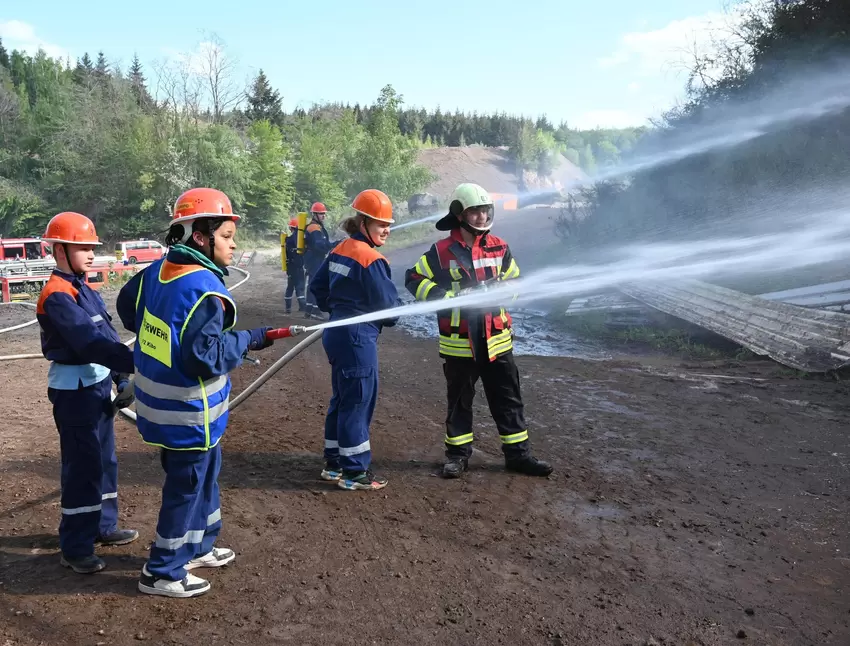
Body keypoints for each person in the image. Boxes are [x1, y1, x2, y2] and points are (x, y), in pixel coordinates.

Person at [116, 187, 276, 598]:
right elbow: (207, 357)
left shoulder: (158, 270)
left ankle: (198, 546)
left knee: (205, 478)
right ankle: (163, 571)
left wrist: (162, 344)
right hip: (188, 416)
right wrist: (250, 339)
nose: (234, 242)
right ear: (199, 236)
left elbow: (127, 306)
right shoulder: (204, 288)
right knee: (186, 486)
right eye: (226, 234)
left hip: (169, 411)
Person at [404, 183, 553, 479]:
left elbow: (515, 281)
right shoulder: (441, 251)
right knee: (460, 401)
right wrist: (444, 298)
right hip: (460, 343)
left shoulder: (499, 246)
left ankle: (518, 455)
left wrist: (502, 293)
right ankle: (457, 456)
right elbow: (413, 277)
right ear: (460, 214)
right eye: (475, 211)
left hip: (497, 340)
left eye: (486, 211)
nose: (483, 216)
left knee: (508, 398)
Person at [36, 211, 138, 574]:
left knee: (105, 460)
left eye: (92, 247)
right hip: (74, 391)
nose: (92, 254)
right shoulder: (57, 295)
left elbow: (107, 337)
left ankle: (102, 526)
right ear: (60, 250)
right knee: (82, 466)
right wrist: (137, 359)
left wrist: (122, 375)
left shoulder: (84, 289)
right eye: (83, 247)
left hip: (96, 386)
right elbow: (90, 342)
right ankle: (76, 545)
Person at [309, 189, 399, 491]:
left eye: (388, 224)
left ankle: (334, 464)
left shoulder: (341, 249)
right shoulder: (371, 258)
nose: (386, 230)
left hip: (337, 331)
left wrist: (337, 308)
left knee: (342, 398)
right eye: (379, 224)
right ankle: (354, 472)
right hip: (358, 337)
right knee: (358, 401)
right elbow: (389, 310)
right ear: (362, 223)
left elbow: (317, 287)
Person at [303, 202, 334, 320]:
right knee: (315, 283)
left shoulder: (316, 227)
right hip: (314, 259)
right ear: (314, 214)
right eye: (321, 214)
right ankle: (314, 310)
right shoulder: (314, 228)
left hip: (315, 258)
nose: (323, 216)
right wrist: (334, 244)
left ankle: (309, 310)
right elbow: (319, 245)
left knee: (313, 282)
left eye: (324, 214)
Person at [284, 217, 306, 314]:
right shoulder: (300, 240)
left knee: (290, 287)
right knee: (300, 288)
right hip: (299, 267)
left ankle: (288, 308)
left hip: (291, 268)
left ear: (291, 228)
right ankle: (303, 307)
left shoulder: (288, 240)